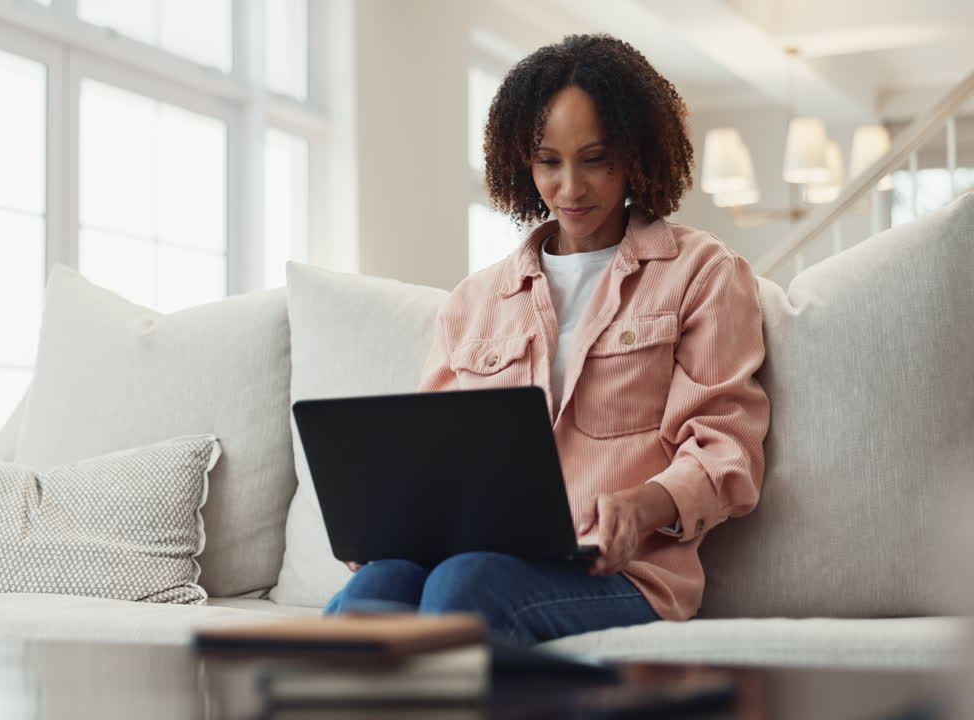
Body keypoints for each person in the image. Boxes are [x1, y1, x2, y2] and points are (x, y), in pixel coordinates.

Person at [324, 34, 771, 647]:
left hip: (621, 573)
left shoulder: (703, 273)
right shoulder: (476, 301)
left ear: (636, 153)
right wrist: (388, 524)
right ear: (521, 162)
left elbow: (727, 448)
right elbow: (431, 456)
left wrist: (648, 502)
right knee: (372, 592)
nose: (570, 188)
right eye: (547, 161)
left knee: (465, 586)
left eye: (595, 159)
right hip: (474, 554)